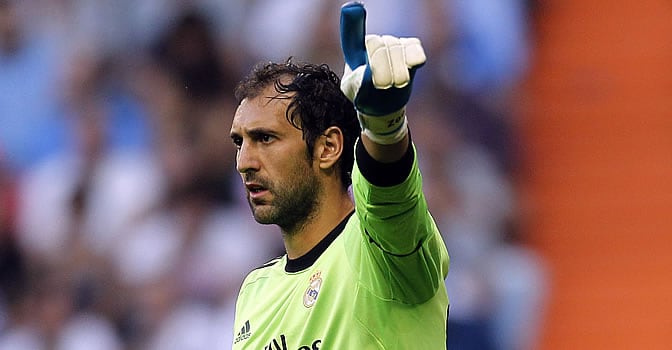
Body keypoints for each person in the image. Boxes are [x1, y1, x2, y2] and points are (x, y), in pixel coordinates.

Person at [229, 2, 449, 349]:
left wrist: (383, 129)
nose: (244, 162)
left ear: (328, 147)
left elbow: (390, 202)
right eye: (239, 142)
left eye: (265, 138)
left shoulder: (381, 251)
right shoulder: (255, 292)